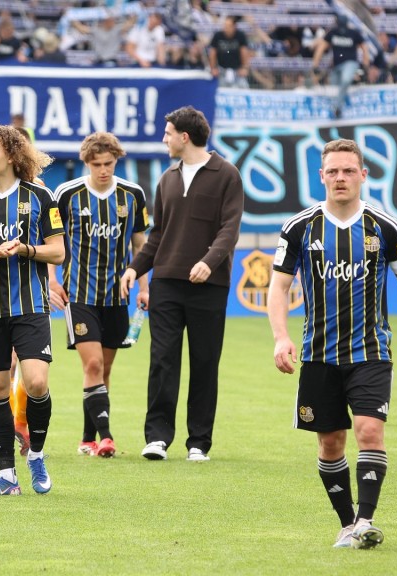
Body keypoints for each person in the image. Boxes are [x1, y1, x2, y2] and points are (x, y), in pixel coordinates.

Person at [267, 138, 397, 549]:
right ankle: (348, 523)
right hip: (317, 355)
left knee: (369, 431)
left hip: (371, 353)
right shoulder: (299, 228)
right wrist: (281, 337)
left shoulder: (386, 227)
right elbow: (278, 287)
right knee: (331, 442)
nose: (341, 178)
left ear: (363, 175)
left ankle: (365, 521)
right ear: (322, 176)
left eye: (349, 170)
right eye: (333, 171)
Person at [120, 106, 243, 462]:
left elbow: (229, 229)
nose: (165, 139)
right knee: (162, 360)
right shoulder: (167, 178)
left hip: (211, 285)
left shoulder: (227, 175)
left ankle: (198, 443)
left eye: (168, 132)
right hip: (167, 285)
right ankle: (157, 437)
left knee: (205, 362)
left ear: (184, 137)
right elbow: (158, 236)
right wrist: (134, 268)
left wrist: (209, 262)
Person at [0, 125, 64, 496]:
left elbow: (58, 251)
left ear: (11, 154)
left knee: (36, 382)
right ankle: (6, 476)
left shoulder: (41, 195)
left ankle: (35, 453)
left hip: (30, 306)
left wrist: (25, 250)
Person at [51, 132, 148, 459]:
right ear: (86, 163)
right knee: (92, 363)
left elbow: (140, 245)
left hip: (116, 297)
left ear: (116, 160)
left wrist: (144, 287)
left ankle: (86, 437)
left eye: (108, 163)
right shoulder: (66, 194)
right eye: (97, 164)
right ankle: (107, 437)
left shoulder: (133, 195)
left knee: (101, 372)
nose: (103, 170)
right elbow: (51, 240)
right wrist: (52, 279)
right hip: (78, 294)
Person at [311, 14, 373, 119]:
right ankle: (337, 118)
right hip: (336, 67)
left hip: (350, 63)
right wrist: (315, 66)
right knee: (334, 88)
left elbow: (365, 49)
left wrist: (365, 68)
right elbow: (321, 48)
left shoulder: (354, 33)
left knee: (345, 80)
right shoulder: (333, 33)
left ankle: (337, 109)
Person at [207, 16, 251, 88]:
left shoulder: (240, 35)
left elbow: (244, 52)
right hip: (221, 70)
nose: (226, 28)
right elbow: (212, 53)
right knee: (219, 89)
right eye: (225, 25)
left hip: (237, 70)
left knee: (244, 88)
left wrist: (244, 68)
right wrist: (213, 68)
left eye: (228, 26)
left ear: (234, 26)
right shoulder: (218, 36)